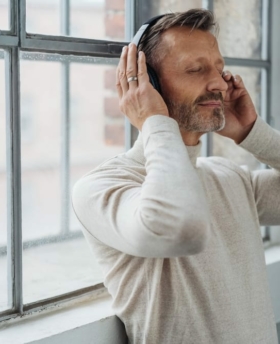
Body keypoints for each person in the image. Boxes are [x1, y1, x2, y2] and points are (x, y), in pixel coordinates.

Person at [72, 8, 280, 344]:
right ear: (146, 84)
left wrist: (254, 133)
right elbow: (180, 228)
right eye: (196, 70)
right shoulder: (101, 187)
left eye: (220, 69)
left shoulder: (228, 177)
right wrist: (155, 121)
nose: (217, 83)